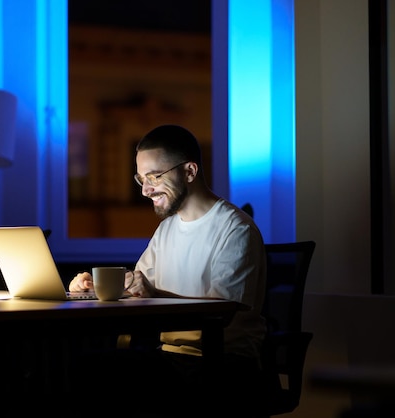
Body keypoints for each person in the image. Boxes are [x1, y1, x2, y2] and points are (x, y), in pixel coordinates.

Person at [67, 124, 267, 414]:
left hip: (221, 362)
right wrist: (92, 288)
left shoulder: (235, 229)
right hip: (172, 358)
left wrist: (151, 291)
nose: (146, 190)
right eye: (141, 179)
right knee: (88, 368)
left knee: (104, 375)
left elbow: (223, 312)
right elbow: (138, 288)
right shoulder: (166, 230)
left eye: (154, 177)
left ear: (189, 172)